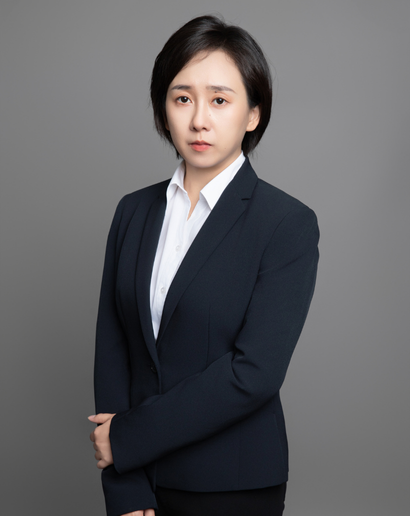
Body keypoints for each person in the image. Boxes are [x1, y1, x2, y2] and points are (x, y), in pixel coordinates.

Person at [89, 14, 319, 516]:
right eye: (182, 98)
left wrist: (129, 438)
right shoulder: (133, 211)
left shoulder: (286, 223)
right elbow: (114, 346)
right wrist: (124, 487)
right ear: (163, 110)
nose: (198, 120)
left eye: (219, 100)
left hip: (232, 484)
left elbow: (254, 373)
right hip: (138, 482)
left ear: (253, 114)